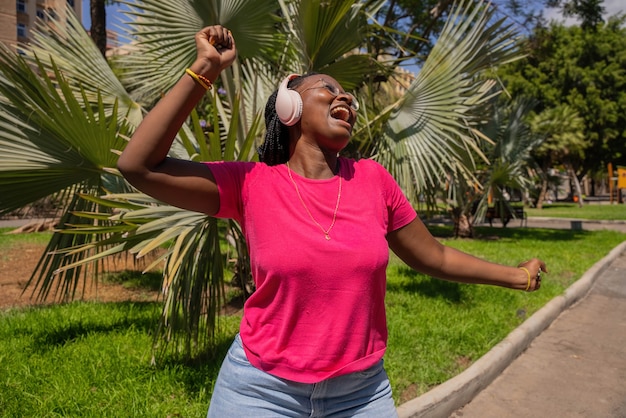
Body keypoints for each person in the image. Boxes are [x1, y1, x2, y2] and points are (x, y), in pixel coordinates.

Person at [117, 25, 547, 418]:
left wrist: (517, 277)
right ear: (289, 107)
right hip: (260, 390)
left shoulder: (373, 180)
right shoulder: (249, 183)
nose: (344, 98)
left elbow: (433, 256)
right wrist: (205, 69)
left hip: (361, 393)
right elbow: (139, 166)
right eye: (327, 89)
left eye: (348, 96)